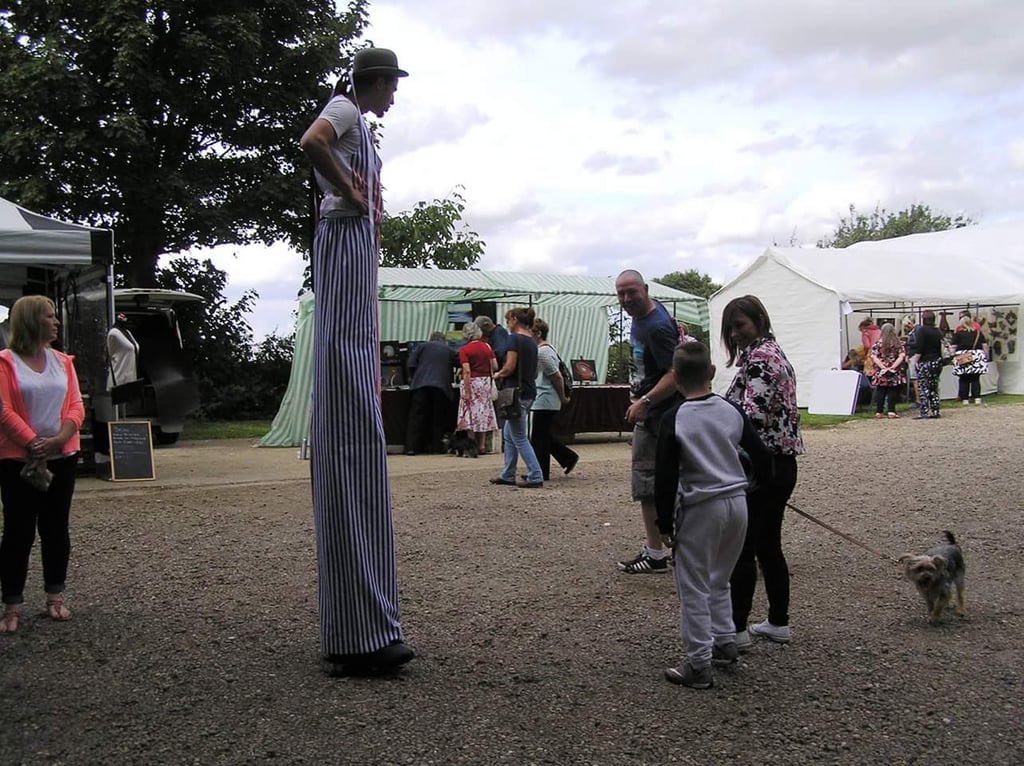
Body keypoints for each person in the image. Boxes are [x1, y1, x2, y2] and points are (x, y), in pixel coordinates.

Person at [298, 46, 414, 674]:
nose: (394, 95)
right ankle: (358, 633)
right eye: (391, 84)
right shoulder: (343, 108)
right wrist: (350, 193)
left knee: (356, 394)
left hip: (350, 243)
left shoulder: (359, 123)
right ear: (374, 82)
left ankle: (366, 625)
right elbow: (311, 141)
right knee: (347, 395)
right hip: (342, 238)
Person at [655, 342, 771, 688]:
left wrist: (664, 522)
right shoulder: (731, 409)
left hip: (701, 505)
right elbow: (762, 457)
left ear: (674, 378)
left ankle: (698, 662)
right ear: (712, 372)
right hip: (737, 501)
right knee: (721, 577)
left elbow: (665, 476)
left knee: (693, 585)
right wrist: (755, 486)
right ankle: (724, 641)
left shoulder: (673, 418)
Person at [721, 295, 804, 648]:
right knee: (769, 545)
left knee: (745, 547)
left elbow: (750, 416)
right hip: (780, 463)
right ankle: (778, 621)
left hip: (762, 464)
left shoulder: (760, 360)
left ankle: (737, 629)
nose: (735, 334)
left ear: (758, 320)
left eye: (740, 326)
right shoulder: (772, 353)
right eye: (730, 328)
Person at [0, 295, 85, 634]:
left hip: (62, 457)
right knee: (19, 531)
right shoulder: (5, 362)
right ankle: (12, 604)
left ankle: (55, 596)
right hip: (18, 460)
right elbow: (3, 410)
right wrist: (33, 443)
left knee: (55, 528)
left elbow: (76, 406)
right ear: (33, 321)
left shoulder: (63, 362)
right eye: (50, 316)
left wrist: (58, 440)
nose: (56, 321)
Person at [615, 269, 682, 574]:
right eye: (621, 294)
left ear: (645, 289)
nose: (627, 299)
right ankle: (668, 549)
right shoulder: (645, 319)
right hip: (653, 412)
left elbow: (675, 374)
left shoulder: (656, 327)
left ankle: (657, 554)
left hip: (658, 416)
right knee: (659, 484)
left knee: (648, 484)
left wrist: (646, 401)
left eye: (632, 292)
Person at [489, 307, 544, 488]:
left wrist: (498, 374)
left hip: (515, 393)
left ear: (514, 319)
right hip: (529, 391)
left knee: (519, 436)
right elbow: (534, 371)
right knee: (509, 434)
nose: (508, 324)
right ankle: (508, 473)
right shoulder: (532, 342)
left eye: (508, 320)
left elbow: (510, 366)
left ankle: (535, 474)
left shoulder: (513, 339)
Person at [529, 318, 578, 480]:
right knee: (543, 436)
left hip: (546, 399)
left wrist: (563, 396)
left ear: (538, 333)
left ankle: (542, 471)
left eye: (530, 331)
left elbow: (556, 377)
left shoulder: (543, 352)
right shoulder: (547, 350)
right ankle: (567, 458)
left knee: (538, 437)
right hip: (546, 398)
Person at [404, 331, 458, 455]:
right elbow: (460, 363)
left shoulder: (421, 347)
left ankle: (411, 448)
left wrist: (413, 379)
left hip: (420, 386)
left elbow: (410, 363)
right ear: (443, 340)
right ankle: (436, 448)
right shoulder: (449, 350)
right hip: (441, 387)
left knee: (417, 417)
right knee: (438, 418)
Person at [456, 322, 498, 455]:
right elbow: (495, 366)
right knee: (484, 412)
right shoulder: (487, 346)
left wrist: (467, 391)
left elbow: (467, 371)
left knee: (470, 413)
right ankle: (482, 446)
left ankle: (471, 445)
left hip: (472, 382)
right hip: (485, 383)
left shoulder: (464, 350)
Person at [910, 309, 944, 420]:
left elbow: (920, 347)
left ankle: (924, 411)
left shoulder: (922, 331)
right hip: (937, 361)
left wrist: (915, 361)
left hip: (925, 361)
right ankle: (935, 410)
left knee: (923, 387)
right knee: (933, 387)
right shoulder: (937, 331)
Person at [869, 323, 906, 419]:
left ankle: (879, 411)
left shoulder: (878, 343)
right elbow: (902, 356)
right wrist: (893, 367)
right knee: (892, 390)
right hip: (894, 370)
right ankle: (891, 411)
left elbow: (874, 356)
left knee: (881, 390)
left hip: (881, 371)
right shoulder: (898, 343)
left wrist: (883, 367)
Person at [951, 311, 988, 405]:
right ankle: (977, 398)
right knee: (975, 378)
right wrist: (985, 356)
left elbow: (953, 347)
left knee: (964, 379)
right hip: (976, 357)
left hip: (963, 356)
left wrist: (952, 356)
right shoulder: (978, 333)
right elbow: (985, 345)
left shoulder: (958, 334)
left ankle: (965, 399)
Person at [106, 312, 140, 390]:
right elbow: (111, 353)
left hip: (131, 378)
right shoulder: (113, 333)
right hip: (119, 377)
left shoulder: (128, 332)